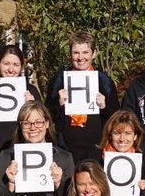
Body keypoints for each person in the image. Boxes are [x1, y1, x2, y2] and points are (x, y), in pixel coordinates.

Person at [0, 102, 75, 196]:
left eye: (38, 122)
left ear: (47, 124)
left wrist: (59, 184)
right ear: (20, 126)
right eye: (26, 123)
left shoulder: (64, 158)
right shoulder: (6, 156)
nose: (33, 127)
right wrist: (11, 185)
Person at [46, 31, 118, 164]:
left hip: (96, 148)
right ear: (70, 54)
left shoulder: (104, 81)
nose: (80, 58)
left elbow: (116, 117)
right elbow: (47, 116)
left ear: (94, 53)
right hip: (65, 148)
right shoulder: (59, 80)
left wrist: (104, 107)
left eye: (85, 52)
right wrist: (58, 103)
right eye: (76, 53)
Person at [0, 45, 43, 158]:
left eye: (15, 65)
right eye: (6, 64)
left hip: (27, 151)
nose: (11, 69)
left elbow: (43, 126)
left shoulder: (31, 91)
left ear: (21, 67)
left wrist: (32, 106)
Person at [98, 109, 145, 196]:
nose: (122, 139)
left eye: (128, 133)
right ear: (110, 135)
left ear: (135, 136)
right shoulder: (97, 160)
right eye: (117, 133)